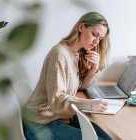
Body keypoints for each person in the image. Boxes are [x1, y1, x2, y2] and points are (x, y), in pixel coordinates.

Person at [23, 12, 112, 140]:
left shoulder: (75, 54)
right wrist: (91, 104)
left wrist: (93, 69)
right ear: (81, 27)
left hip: (58, 117)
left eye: (100, 39)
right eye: (94, 35)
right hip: (40, 123)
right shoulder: (59, 54)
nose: (96, 42)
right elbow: (57, 101)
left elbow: (80, 86)